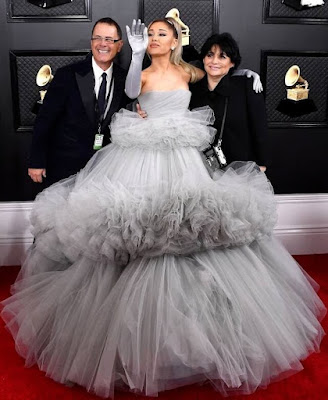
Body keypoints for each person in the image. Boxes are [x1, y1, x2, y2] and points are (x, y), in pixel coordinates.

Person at [1, 17, 325, 399]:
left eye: (161, 34)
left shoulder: (190, 72)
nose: (154, 38)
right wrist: (136, 54)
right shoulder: (137, 70)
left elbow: (216, 75)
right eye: (149, 34)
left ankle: (206, 330)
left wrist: (245, 73)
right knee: (137, 230)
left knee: (192, 227)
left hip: (185, 159)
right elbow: (131, 89)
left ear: (175, 40)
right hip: (138, 157)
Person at [28, 17, 130, 187]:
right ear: (91, 42)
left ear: (119, 46)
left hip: (105, 166)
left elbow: (130, 111)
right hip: (65, 165)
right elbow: (44, 120)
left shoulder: (125, 78)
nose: (102, 44)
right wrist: (36, 161)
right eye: (97, 38)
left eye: (109, 39)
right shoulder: (66, 75)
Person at [189, 33, 269, 171]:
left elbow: (259, 128)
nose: (214, 61)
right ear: (203, 59)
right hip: (201, 168)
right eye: (210, 55)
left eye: (222, 56)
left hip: (240, 166)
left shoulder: (246, 86)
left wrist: (261, 163)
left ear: (232, 63)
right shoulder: (192, 89)